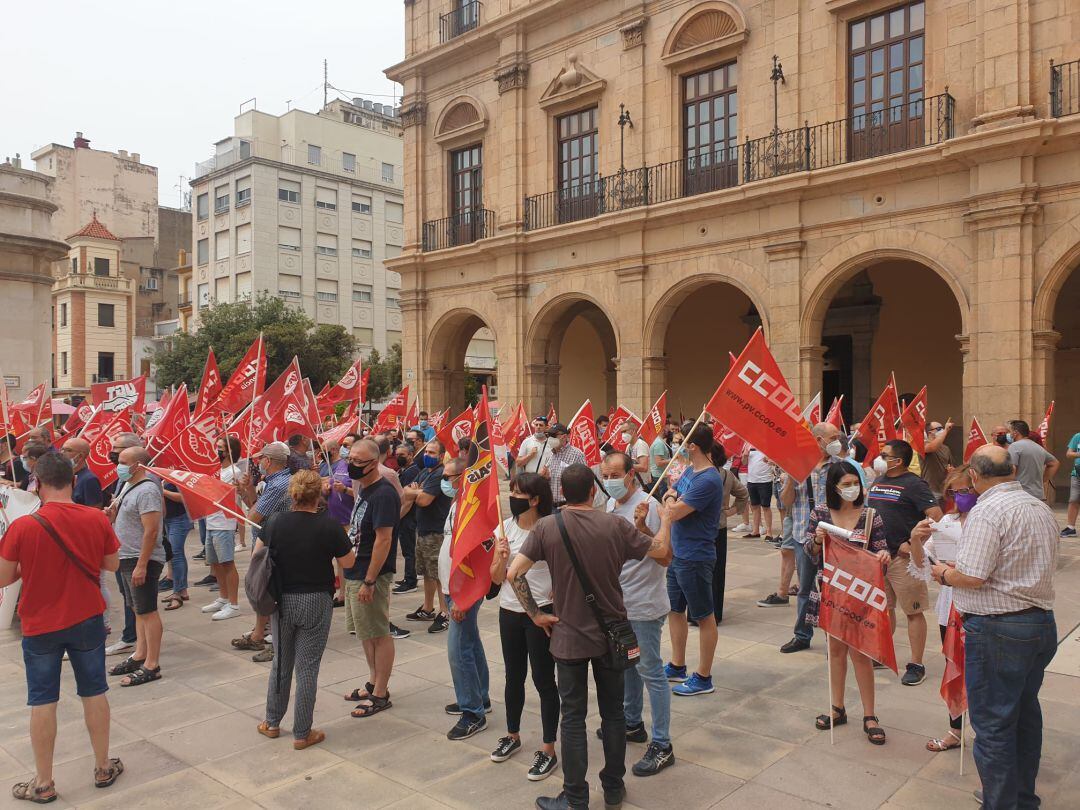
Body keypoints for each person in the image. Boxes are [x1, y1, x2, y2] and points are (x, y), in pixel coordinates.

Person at [507, 463, 674, 810]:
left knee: (573, 717)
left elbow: (513, 573)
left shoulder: (547, 527)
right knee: (613, 714)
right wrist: (666, 520)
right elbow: (660, 553)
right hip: (612, 634)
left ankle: (576, 796)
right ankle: (613, 786)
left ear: (562, 494)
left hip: (568, 635)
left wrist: (536, 614)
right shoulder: (614, 525)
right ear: (594, 491)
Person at [929, 445, 1058, 810]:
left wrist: (944, 573)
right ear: (1013, 471)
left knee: (994, 726)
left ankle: (1000, 803)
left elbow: (971, 576)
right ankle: (1020, 798)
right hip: (1039, 623)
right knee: (1023, 716)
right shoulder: (1039, 506)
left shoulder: (987, 512)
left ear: (974, 476)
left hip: (1000, 629)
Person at [0, 453, 124, 803]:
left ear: (37, 482)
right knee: (94, 691)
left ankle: (43, 782)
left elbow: (3, 577)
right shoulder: (95, 518)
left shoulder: (23, 526)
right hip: (86, 618)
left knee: (42, 700)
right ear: (72, 479)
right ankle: (102, 766)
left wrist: (32, 564)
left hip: (39, 624)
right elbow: (112, 564)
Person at [258, 470, 356, 749]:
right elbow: (348, 563)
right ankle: (302, 731)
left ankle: (272, 722)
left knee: (281, 663)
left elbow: (257, 556)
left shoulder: (275, 522)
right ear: (319, 495)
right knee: (307, 668)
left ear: (293, 494)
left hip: (282, 599)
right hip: (316, 599)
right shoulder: (329, 526)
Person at [806, 462, 891, 745]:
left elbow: (881, 551)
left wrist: (883, 559)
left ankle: (870, 714)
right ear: (834, 487)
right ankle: (836, 707)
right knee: (835, 651)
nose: (852, 488)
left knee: (861, 653)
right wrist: (817, 541)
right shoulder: (820, 514)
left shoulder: (870, 516)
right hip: (831, 592)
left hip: (861, 594)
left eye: (855, 482)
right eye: (846, 484)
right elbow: (810, 552)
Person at [601, 452, 676, 777]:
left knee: (651, 672)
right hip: (619, 603)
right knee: (628, 666)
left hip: (644, 604)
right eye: (605, 475)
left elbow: (664, 557)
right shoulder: (610, 506)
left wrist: (644, 526)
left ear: (632, 474)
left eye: (615, 474)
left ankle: (663, 744)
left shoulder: (651, 506)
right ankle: (632, 723)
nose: (610, 481)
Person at [489, 472, 560, 780]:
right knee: (513, 676)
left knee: (544, 679)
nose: (512, 498)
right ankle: (513, 734)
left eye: (518, 493)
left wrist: (557, 595)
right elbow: (494, 578)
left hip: (541, 614)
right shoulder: (503, 528)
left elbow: (563, 570)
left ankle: (548, 749)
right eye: (512, 492)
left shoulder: (550, 529)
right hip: (509, 611)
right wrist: (501, 558)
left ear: (535, 499)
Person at [777, 422, 863, 653]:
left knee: (834, 589)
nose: (838, 441)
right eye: (833, 437)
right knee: (805, 588)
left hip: (834, 536)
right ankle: (802, 635)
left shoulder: (841, 467)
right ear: (817, 440)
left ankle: (835, 637)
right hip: (803, 535)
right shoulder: (799, 466)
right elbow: (785, 504)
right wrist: (790, 479)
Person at [907, 465, 974, 753]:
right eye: (954, 492)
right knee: (954, 663)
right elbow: (923, 564)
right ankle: (955, 729)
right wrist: (915, 539)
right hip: (951, 604)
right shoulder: (948, 521)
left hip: (980, 604)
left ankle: (988, 734)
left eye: (965, 490)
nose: (959, 497)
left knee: (981, 670)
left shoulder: (989, 520)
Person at [866, 439, 942, 685]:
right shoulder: (879, 480)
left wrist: (916, 544)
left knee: (913, 611)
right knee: (884, 609)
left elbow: (936, 518)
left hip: (903, 560)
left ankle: (916, 664)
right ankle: (882, 653)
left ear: (897, 461)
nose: (879, 457)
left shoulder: (914, 485)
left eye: (884, 454)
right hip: (879, 556)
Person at [660, 424, 725, 696]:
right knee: (675, 610)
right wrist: (672, 500)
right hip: (678, 553)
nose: (679, 446)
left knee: (703, 616)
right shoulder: (690, 471)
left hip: (696, 556)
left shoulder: (708, 479)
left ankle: (704, 676)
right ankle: (677, 665)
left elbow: (674, 512)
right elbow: (670, 494)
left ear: (693, 446)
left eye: (682, 441)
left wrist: (672, 504)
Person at [343, 438, 400, 719]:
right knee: (365, 632)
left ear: (374, 463)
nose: (351, 464)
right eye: (349, 458)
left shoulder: (384, 494)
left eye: (357, 461)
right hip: (355, 570)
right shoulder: (364, 489)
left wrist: (369, 580)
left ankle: (381, 693)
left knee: (378, 632)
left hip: (370, 574)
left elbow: (384, 539)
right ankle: (373, 680)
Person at [438, 458, 492, 739]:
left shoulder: (472, 508)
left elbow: (477, 558)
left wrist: (463, 598)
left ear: (464, 477)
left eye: (450, 476)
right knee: (470, 641)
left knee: (458, 650)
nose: (445, 481)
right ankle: (479, 696)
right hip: (451, 589)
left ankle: (472, 713)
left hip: (464, 592)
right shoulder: (455, 504)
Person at [106, 446, 165, 686]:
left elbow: (151, 530)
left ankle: (152, 663)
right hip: (127, 556)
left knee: (147, 610)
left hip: (142, 559)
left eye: (123, 461)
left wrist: (142, 564)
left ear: (138, 465)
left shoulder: (148, 489)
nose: (118, 465)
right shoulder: (129, 485)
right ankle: (140, 653)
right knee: (137, 609)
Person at [233, 441, 293, 662]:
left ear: (268, 461)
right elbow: (257, 506)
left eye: (261, 459)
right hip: (269, 542)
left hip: (272, 547)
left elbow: (253, 517)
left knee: (269, 592)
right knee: (264, 591)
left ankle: (276, 641)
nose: (259, 463)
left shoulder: (278, 485)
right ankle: (260, 633)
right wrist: (247, 490)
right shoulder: (275, 481)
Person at [400, 440, 451, 633]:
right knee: (427, 573)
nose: (427, 455)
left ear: (441, 455)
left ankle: (444, 612)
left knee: (438, 575)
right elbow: (407, 494)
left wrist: (415, 491)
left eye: (432, 452)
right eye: (427, 452)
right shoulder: (425, 472)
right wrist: (414, 492)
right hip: (423, 529)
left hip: (436, 531)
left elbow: (423, 500)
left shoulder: (439, 474)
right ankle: (428, 608)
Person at [103, 432, 143, 657]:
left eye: (117, 451)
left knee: (139, 600)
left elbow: (153, 527)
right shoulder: (123, 479)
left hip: (134, 550)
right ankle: (133, 635)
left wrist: (144, 560)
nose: (112, 454)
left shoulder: (145, 483)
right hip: (122, 546)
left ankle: (135, 639)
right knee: (127, 594)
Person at [200, 436, 244, 621]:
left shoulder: (234, 472)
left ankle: (234, 604)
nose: (216, 450)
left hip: (224, 524)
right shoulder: (218, 470)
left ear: (229, 451)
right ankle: (223, 598)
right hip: (211, 521)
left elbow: (225, 494)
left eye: (220, 447)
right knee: (215, 563)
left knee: (227, 563)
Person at [708, 444, 747, 623]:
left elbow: (743, 495)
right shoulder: (726, 475)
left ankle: (697, 613)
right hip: (719, 527)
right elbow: (743, 494)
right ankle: (715, 613)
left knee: (700, 572)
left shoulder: (701, 474)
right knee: (717, 572)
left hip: (702, 529)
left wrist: (731, 511)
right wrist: (730, 511)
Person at [392, 441, 421, 595]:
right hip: (404, 516)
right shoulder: (404, 470)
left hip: (407, 517)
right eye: (397, 455)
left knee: (409, 550)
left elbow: (408, 499)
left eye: (402, 455)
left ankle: (411, 581)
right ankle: (407, 577)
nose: (399, 457)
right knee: (406, 550)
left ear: (410, 455)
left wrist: (397, 518)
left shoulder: (411, 472)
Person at [1006, 420, 1059, 501]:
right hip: (1038, 495)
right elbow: (1055, 463)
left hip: (1021, 496)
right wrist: (1043, 480)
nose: (1008, 434)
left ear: (1015, 433)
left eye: (1009, 431)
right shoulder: (1039, 448)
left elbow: (1011, 470)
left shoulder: (1014, 446)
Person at [539, 423, 587, 508]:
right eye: (548, 435)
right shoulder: (550, 454)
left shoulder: (577, 454)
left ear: (564, 437)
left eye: (553, 435)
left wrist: (574, 505)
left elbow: (584, 482)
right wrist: (544, 478)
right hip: (551, 505)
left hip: (568, 506)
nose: (550, 438)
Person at [743, 447, 776, 541]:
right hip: (751, 480)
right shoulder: (748, 445)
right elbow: (744, 462)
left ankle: (769, 532)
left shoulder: (767, 444)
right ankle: (755, 530)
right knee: (754, 506)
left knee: (766, 506)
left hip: (765, 480)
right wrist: (745, 456)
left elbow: (775, 461)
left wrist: (770, 460)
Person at [920, 419, 955, 506]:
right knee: (932, 518)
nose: (942, 430)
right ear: (930, 432)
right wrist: (946, 430)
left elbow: (951, 466)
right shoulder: (923, 445)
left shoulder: (946, 448)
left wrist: (951, 471)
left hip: (943, 490)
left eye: (942, 428)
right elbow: (932, 448)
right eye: (939, 429)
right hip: (929, 490)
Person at [60, 438, 103, 508]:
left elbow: (94, 510)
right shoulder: (63, 476)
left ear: (80, 456)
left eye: (68, 450)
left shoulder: (89, 480)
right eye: (62, 449)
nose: (62, 453)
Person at [648, 424, 672, 499]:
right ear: (662, 429)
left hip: (658, 474)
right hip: (660, 476)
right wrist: (673, 459)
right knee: (663, 498)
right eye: (666, 428)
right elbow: (658, 463)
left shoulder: (657, 441)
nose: (668, 430)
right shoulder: (659, 443)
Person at [1064, 427, 1080, 537]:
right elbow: (1069, 454)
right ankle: (1071, 528)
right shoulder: (1077, 436)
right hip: (1077, 474)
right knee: (1073, 499)